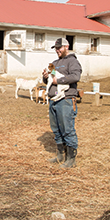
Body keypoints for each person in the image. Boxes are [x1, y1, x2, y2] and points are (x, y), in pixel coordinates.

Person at [43, 38, 82, 168]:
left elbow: (75, 77)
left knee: (67, 129)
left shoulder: (72, 61)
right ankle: (60, 155)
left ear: (67, 46)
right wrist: (45, 76)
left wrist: (58, 81)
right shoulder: (54, 63)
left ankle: (71, 159)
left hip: (65, 99)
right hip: (53, 99)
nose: (57, 50)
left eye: (59, 48)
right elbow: (50, 79)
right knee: (56, 129)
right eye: (56, 48)